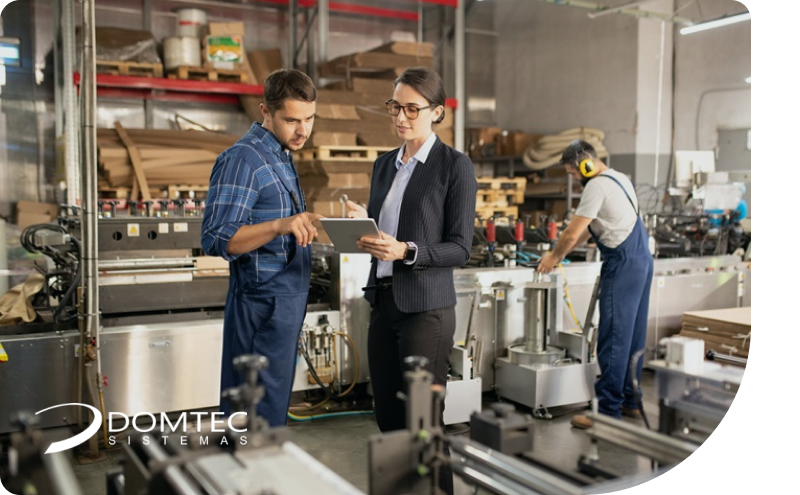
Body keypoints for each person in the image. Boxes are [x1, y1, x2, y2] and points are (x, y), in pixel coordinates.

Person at [345, 66, 477, 495]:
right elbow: (380, 233)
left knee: (423, 422)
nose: (401, 117)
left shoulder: (454, 166)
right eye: (395, 107)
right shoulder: (384, 165)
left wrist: (408, 251)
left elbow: (461, 247)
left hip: (427, 311)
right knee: (387, 417)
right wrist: (358, 228)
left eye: (412, 109)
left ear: (437, 112)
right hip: (384, 302)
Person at [201, 68, 323, 427]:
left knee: (270, 411)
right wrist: (278, 226)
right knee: (250, 413)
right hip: (259, 306)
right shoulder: (244, 159)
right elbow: (216, 238)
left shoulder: (281, 154)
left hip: (283, 305)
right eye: (291, 120)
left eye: (310, 119)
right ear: (265, 111)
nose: (302, 130)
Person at [537, 139, 654, 429]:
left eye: (573, 173)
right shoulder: (619, 178)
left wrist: (554, 256)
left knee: (613, 338)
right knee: (633, 337)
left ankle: (608, 414)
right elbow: (592, 227)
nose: (574, 179)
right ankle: (630, 401)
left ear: (586, 165)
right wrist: (565, 251)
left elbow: (571, 233)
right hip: (642, 261)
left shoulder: (596, 186)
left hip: (623, 264)